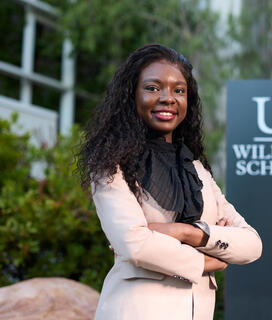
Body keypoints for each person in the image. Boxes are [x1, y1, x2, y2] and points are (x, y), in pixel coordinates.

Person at [78, 44, 262, 320]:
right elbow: (135, 244)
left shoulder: (196, 169)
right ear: (131, 96)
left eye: (179, 90)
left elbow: (251, 244)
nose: (168, 98)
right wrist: (207, 261)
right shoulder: (110, 165)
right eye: (153, 88)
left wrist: (187, 233)